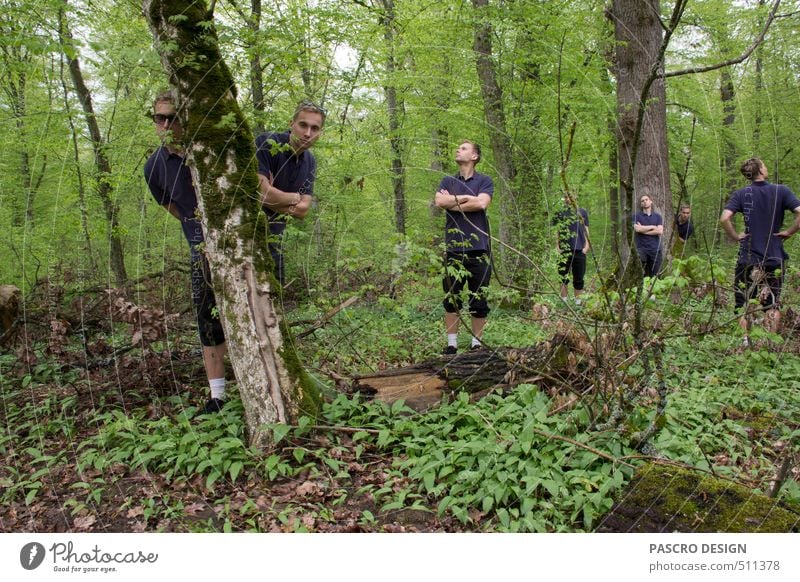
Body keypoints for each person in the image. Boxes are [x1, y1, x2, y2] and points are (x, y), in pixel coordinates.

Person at [144, 90, 227, 414]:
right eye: (159, 118)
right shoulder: (154, 167)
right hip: (199, 250)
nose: (166, 124)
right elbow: (171, 206)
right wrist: (197, 228)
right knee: (208, 319)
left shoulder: (209, 151)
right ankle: (217, 396)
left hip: (237, 244)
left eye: (172, 117)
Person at [719, 157, 800, 345]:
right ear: (761, 171)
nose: (766, 166)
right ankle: (769, 342)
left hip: (747, 256)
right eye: (764, 164)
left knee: (742, 301)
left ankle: (744, 341)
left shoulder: (741, 194)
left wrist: (735, 236)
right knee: (772, 302)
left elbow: (724, 218)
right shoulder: (781, 191)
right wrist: (789, 232)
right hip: (774, 256)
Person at [434, 140, 494, 354]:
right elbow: (439, 202)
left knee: (478, 300)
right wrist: (468, 198)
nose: (458, 150)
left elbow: (481, 203)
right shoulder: (448, 180)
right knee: (452, 298)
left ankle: (476, 345)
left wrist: (454, 202)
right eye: (458, 148)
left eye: (464, 148)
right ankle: (451, 345)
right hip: (453, 249)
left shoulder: (485, 180)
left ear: (474, 156)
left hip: (479, 248)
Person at [255, 101, 325, 284]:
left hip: (275, 240)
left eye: (314, 128)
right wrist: (294, 197)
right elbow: (260, 193)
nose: (308, 133)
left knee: (276, 292)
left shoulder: (310, 161)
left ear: (320, 133)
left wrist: (272, 196)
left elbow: (303, 211)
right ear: (291, 124)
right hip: (248, 233)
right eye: (303, 125)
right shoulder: (267, 143)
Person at [553, 194, 590, 302]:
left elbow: (586, 230)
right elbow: (557, 231)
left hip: (580, 250)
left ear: (575, 196)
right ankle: (564, 302)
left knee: (579, 279)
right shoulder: (559, 213)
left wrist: (586, 247)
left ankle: (578, 304)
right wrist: (557, 246)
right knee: (563, 278)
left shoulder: (582, 212)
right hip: (564, 250)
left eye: (570, 196)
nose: (567, 199)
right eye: (565, 197)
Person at [634, 194, 664, 277]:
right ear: (641, 204)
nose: (645, 202)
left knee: (656, 275)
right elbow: (637, 229)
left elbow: (660, 231)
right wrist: (652, 227)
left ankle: (654, 289)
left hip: (655, 249)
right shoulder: (636, 216)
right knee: (641, 274)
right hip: (641, 249)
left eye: (646, 200)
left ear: (651, 201)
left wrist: (643, 229)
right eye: (642, 201)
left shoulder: (658, 217)